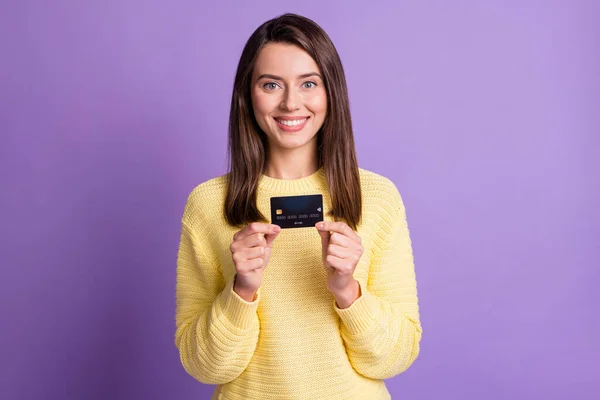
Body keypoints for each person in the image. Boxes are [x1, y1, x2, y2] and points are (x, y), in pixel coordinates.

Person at [175, 13, 422, 400]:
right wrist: (241, 290)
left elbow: (395, 358)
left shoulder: (377, 197)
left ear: (330, 93)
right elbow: (203, 367)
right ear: (248, 95)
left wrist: (347, 290)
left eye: (309, 83)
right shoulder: (208, 204)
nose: (291, 103)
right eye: (271, 84)